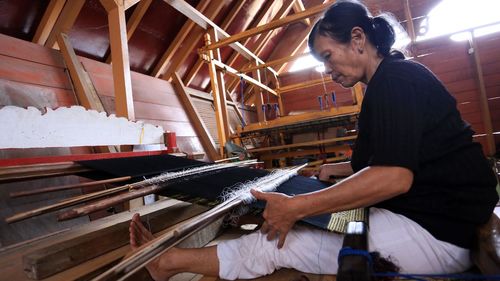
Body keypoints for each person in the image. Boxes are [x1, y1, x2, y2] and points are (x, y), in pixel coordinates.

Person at [129, 0, 499, 280]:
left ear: (357, 39)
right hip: (431, 216)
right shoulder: (390, 81)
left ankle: (167, 263)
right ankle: (171, 261)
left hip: (442, 234)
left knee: (282, 239)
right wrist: (332, 171)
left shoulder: (396, 81)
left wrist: (298, 206)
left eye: (327, 56)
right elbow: (388, 161)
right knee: (292, 221)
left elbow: (394, 177)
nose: (327, 69)